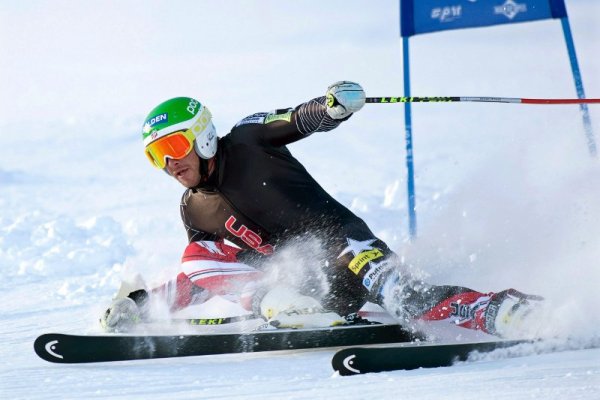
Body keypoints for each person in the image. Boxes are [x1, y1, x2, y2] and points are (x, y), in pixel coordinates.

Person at [101, 81, 543, 337]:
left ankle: (502, 311)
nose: (170, 163)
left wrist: (331, 107)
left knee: (403, 300)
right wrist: (143, 305)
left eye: (174, 146)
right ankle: (284, 304)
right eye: (156, 156)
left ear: (202, 136)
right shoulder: (193, 209)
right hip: (302, 287)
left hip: (345, 247)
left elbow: (296, 118)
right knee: (197, 256)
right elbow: (200, 276)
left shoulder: (248, 140)